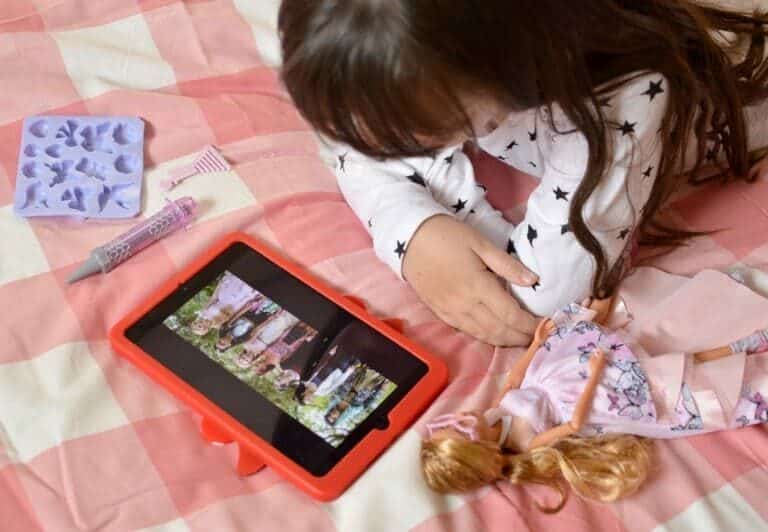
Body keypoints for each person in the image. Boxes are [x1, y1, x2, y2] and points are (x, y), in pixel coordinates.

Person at [278, 0, 768, 346]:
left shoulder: (620, 95)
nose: (383, 147)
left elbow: (543, 293)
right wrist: (415, 228)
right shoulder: (398, 47)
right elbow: (347, 134)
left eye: (422, 135)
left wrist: (452, 232)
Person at [420, 301, 768, 511]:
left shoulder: (494, 414)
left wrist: (537, 345)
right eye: (463, 429)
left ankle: (743, 344)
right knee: (674, 373)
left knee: (661, 353)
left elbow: (512, 380)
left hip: (558, 371)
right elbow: (573, 425)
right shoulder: (525, 442)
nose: (465, 417)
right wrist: (595, 374)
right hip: (594, 394)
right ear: (480, 451)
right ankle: (741, 349)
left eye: (453, 421)